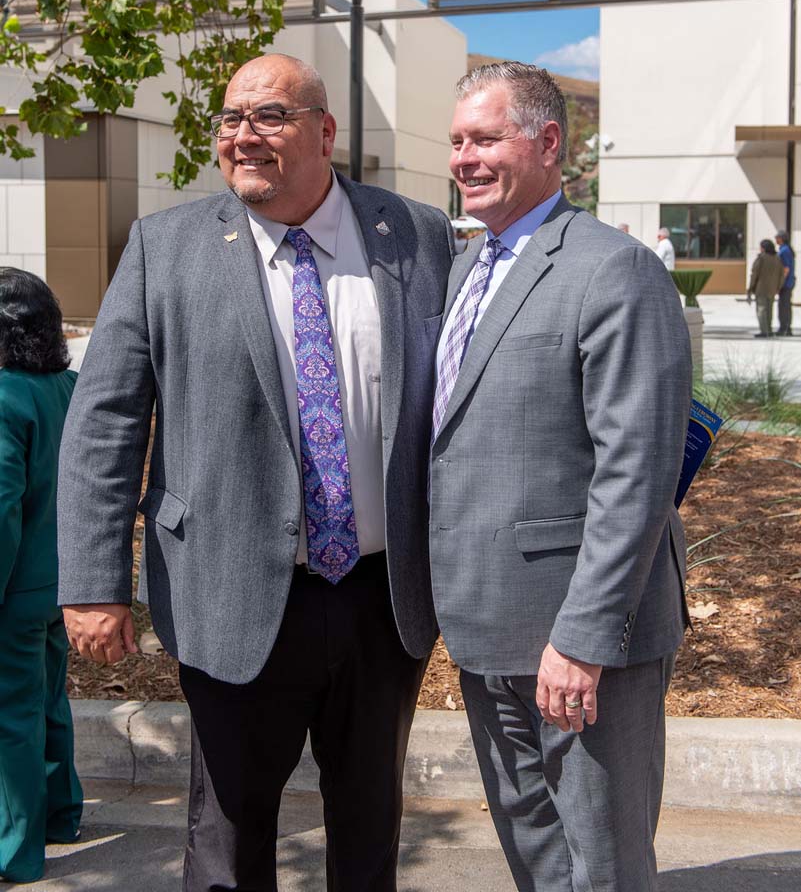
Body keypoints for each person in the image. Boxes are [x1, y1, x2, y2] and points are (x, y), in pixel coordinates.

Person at [57, 54, 454, 892]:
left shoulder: (416, 235)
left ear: (323, 130)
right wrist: (94, 582)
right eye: (231, 120)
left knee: (369, 820)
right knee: (228, 837)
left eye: (268, 116)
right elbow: (105, 422)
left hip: (381, 600)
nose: (244, 137)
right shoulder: (165, 249)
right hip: (227, 587)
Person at [428, 62, 692, 892]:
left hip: (579, 639)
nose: (462, 159)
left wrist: (583, 638)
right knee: (535, 854)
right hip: (484, 625)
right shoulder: (464, 269)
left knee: (601, 862)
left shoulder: (613, 269)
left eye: (483, 138)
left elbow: (636, 468)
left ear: (546, 142)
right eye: (455, 141)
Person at [0, 268, 83, 884]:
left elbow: (1, 509)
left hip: (15, 590)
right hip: (64, 584)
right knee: (50, 701)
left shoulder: (4, 398)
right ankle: (61, 814)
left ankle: (14, 852)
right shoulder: (67, 385)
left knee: (10, 718)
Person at [747, 239, 785, 338]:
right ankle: (769, 329)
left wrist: (750, 288)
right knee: (769, 310)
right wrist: (778, 287)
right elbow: (782, 275)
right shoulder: (777, 259)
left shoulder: (761, 259)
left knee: (761, 310)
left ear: (763, 248)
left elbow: (754, 274)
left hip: (761, 288)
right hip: (772, 289)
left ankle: (764, 331)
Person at [775, 230, 795, 336]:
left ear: (781, 238)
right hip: (787, 282)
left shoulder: (785, 251)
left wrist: (780, 283)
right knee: (784, 305)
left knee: (784, 306)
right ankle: (785, 327)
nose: (776, 239)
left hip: (786, 283)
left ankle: (785, 328)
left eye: (777, 237)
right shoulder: (784, 249)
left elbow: (786, 269)